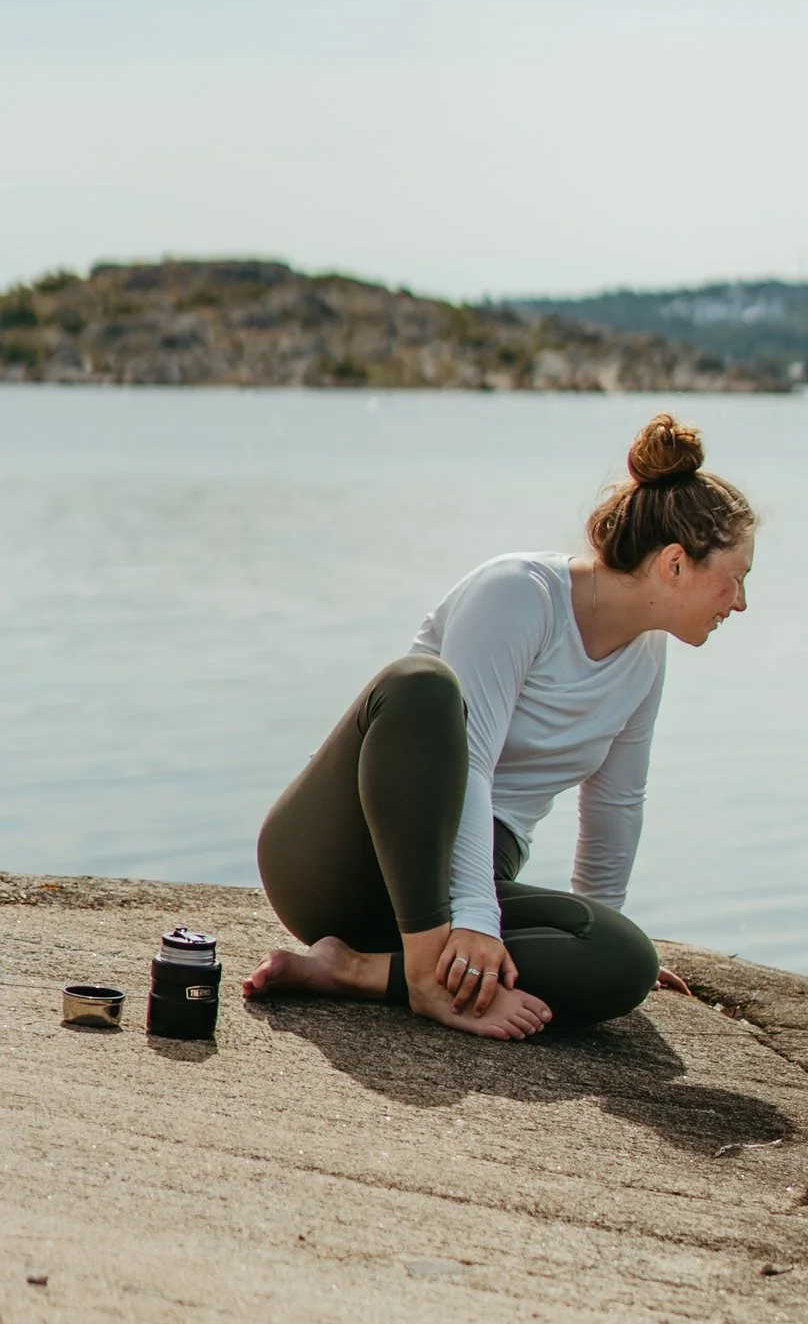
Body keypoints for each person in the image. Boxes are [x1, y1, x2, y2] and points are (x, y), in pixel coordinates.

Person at [243, 412, 755, 1039]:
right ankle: (428, 972)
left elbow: (616, 803)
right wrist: (477, 919)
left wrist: (597, 928)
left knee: (624, 959)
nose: (740, 602)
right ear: (675, 564)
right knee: (422, 688)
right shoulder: (520, 595)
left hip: (473, 873)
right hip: (345, 858)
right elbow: (471, 764)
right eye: (736, 579)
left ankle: (356, 970)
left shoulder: (646, 657)